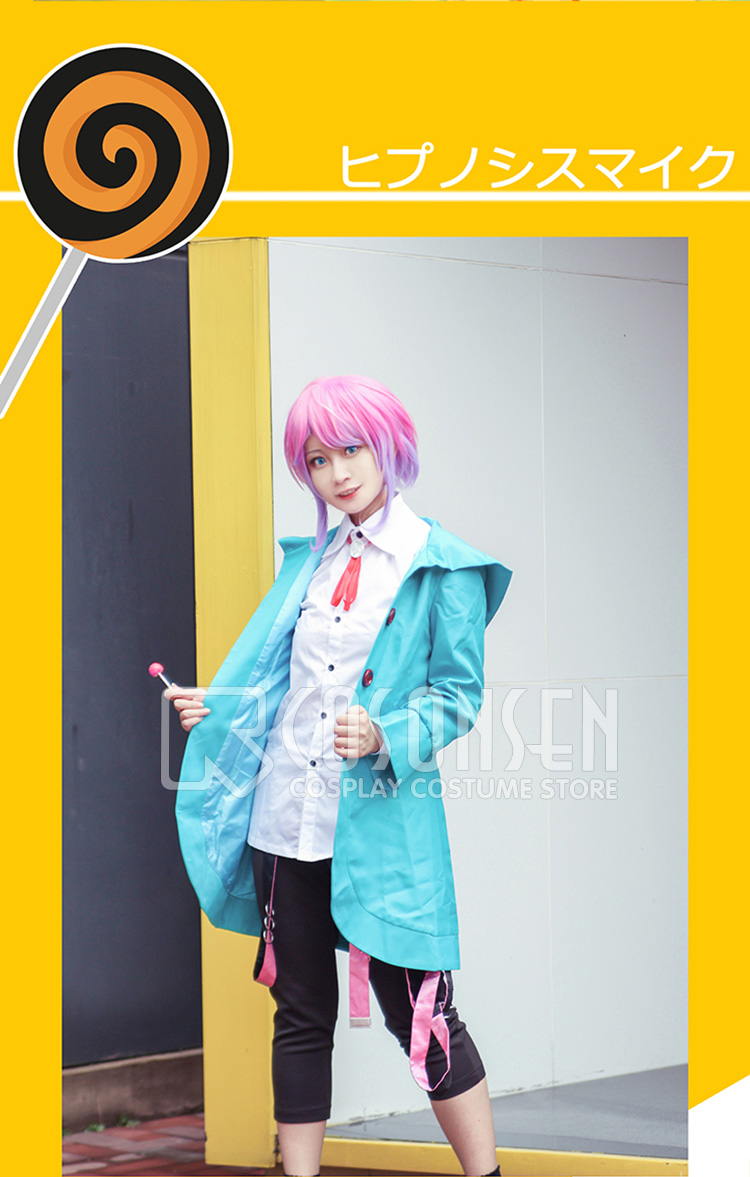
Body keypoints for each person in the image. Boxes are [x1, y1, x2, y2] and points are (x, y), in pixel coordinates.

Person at [167, 375, 512, 1177]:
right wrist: (214, 709)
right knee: (299, 1015)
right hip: (284, 823)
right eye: (318, 459)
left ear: (388, 444)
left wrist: (387, 731)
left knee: (423, 1015)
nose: (337, 472)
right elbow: (278, 681)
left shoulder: (442, 567)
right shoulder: (310, 562)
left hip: (384, 831)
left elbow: (457, 697)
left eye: (351, 448)